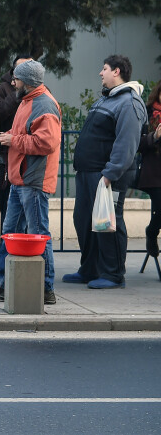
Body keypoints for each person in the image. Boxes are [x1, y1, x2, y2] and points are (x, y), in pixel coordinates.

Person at [0, 60, 61, 304]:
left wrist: (13, 141)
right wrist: (8, 138)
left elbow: (46, 144)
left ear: (28, 81)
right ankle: (1, 282)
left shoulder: (44, 104)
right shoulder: (27, 101)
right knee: (10, 233)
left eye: (17, 79)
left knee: (39, 233)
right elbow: (24, 135)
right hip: (20, 179)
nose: (13, 82)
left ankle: (46, 288)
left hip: (33, 180)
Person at [65, 55, 147, 289]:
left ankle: (113, 274)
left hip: (108, 176)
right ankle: (90, 269)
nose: (101, 73)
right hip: (88, 172)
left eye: (104, 69)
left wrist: (110, 173)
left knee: (108, 222)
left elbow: (127, 143)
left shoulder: (130, 102)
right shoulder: (107, 99)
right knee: (83, 220)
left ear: (117, 71)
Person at [0, 55, 32, 267]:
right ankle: (4, 261)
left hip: (29, 162)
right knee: (9, 216)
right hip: (6, 161)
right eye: (23, 69)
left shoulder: (37, 94)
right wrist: (15, 95)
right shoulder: (4, 89)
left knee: (27, 219)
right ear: (13, 73)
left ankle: (11, 259)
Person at [138, 81, 161, 259]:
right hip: (153, 173)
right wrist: (155, 136)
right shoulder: (146, 112)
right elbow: (137, 144)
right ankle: (152, 233)